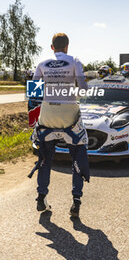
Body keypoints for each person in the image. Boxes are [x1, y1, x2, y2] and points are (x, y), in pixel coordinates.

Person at [32, 33, 89, 217]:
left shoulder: (41, 63)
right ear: (67, 46)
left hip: (47, 116)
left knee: (45, 158)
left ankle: (41, 197)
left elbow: (34, 92)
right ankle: (76, 202)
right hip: (69, 116)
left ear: (52, 47)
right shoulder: (75, 61)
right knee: (78, 154)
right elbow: (83, 90)